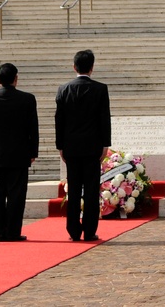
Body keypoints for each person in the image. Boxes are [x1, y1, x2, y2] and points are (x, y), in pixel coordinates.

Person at [0, 62, 38, 242]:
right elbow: (32, 128)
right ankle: (13, 231)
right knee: (16, 195)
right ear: (16, 79)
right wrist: (33, 151)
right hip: (19, 154)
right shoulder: (27, 99)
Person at [55, 49, 112, 243]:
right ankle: (89, 230)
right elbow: (104, 118)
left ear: (74, 67)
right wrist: (106, 143)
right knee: (90, 190)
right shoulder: (100, 89)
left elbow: (59, 120)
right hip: (92, 146)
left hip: (71, 147)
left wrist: (60, 145)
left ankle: (73, 230)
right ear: (92, 68)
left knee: (74, 188)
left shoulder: (63, 89)